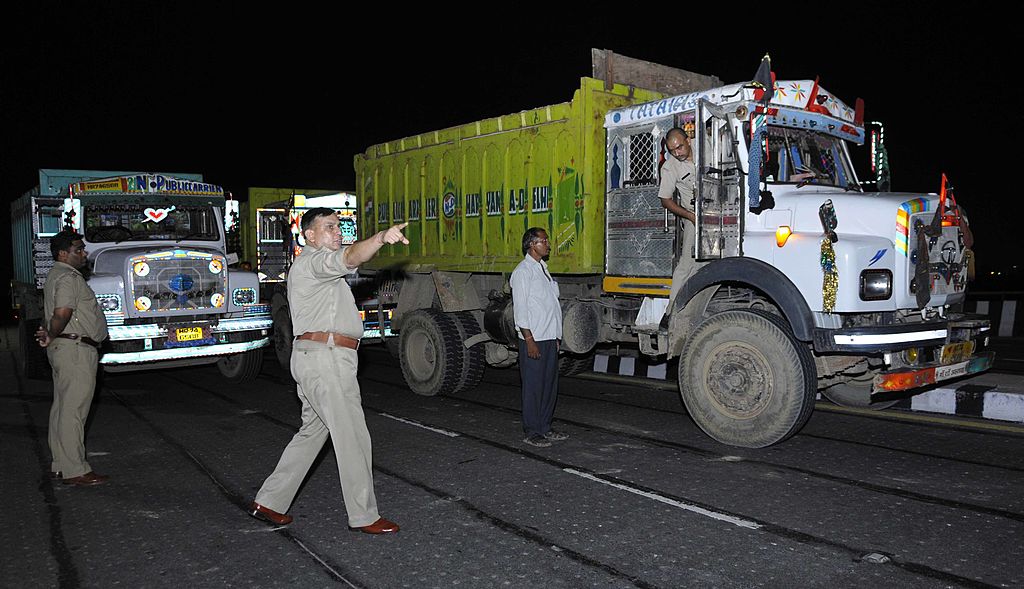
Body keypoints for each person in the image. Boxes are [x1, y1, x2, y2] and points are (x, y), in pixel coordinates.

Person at [250, 208, 408, 534]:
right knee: (352, 435)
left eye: (339, 227)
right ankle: (364, 515)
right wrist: (380, 238)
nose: (337, 232)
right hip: (327, 360)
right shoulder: (314, 261)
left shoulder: (317, 270)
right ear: (309, 235)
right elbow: (350, 257)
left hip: (316, 358)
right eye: (329, 227)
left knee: (312, 433)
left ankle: (270, 500)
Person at [35, 230, 109, 486]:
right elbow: (62, 313)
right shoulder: (68, 277)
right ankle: (75, 470)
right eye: (78, 249)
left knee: (62, 408)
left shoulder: (57, 274)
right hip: (75, 349)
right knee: (73, 412)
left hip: (66, 349)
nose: (83, 253)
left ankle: (60, 464)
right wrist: (52, 334)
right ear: (63, 254)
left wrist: (51, 336)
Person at [510, 227, 567, 448]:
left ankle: (545, 426)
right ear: (532, 244)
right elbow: (521, 310)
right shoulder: (523, 272)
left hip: (549, 336)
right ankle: (532, 431)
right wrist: (529, 339)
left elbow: (550, 305)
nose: (548, 244)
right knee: (533, 387)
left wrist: (556, 336)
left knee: (549, 385)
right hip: (533, 339)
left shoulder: (543, 269)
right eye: (544, 240)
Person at [658, 127, 705, 314]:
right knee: (686, 264)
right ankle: (672, 312)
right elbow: (665, 200)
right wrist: (689, 216)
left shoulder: (710, 145)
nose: (677, 153)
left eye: (680, 147)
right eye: (672, 151)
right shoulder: (670, 167)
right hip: (694, 217)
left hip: (721, 213)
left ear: (689, 140)